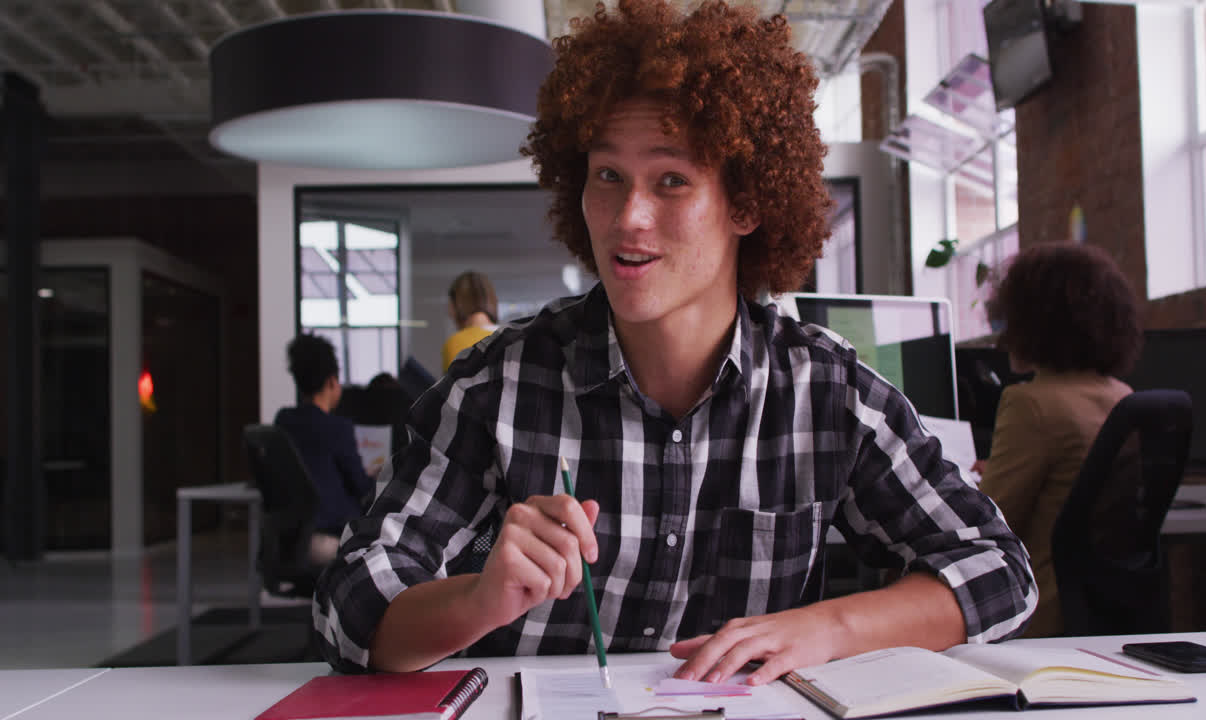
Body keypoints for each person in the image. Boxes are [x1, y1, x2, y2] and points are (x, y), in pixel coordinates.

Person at [313, 0, 1035, 679]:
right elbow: (347, 604)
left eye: (671, 181)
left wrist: (826, 629)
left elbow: (998, 570)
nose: (628, 217)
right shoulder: (497, 388)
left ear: (746, 203)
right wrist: (478, 601)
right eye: (607, 175)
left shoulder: (828, 393)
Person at [976, 242, 1142, 638]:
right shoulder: (1123, 395)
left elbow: (985, 526)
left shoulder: (1031, 404)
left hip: (1038, 612)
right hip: (1106, 610)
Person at [274, 333, 376, 565]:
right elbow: (361, 488)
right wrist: (378, 476)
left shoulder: (283, 421)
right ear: (332, 381)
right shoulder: (337, 428)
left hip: (288, 541)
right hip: (330, 540)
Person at [442, 271, 499, 371]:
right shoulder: (512, 339)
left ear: (457, 304)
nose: (449, 313)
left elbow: (452, 386)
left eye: (450, 305)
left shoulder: (456, 343)